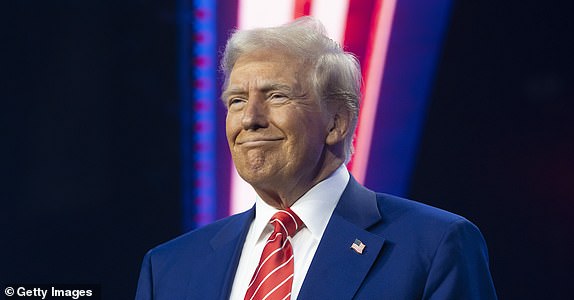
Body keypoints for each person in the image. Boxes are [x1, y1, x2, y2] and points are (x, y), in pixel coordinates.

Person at [135, 17, 497, 300]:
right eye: (237, 101)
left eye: (276, 96)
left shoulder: (433, 246)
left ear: (336, 122)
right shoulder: (169, 267)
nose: (249, 119)